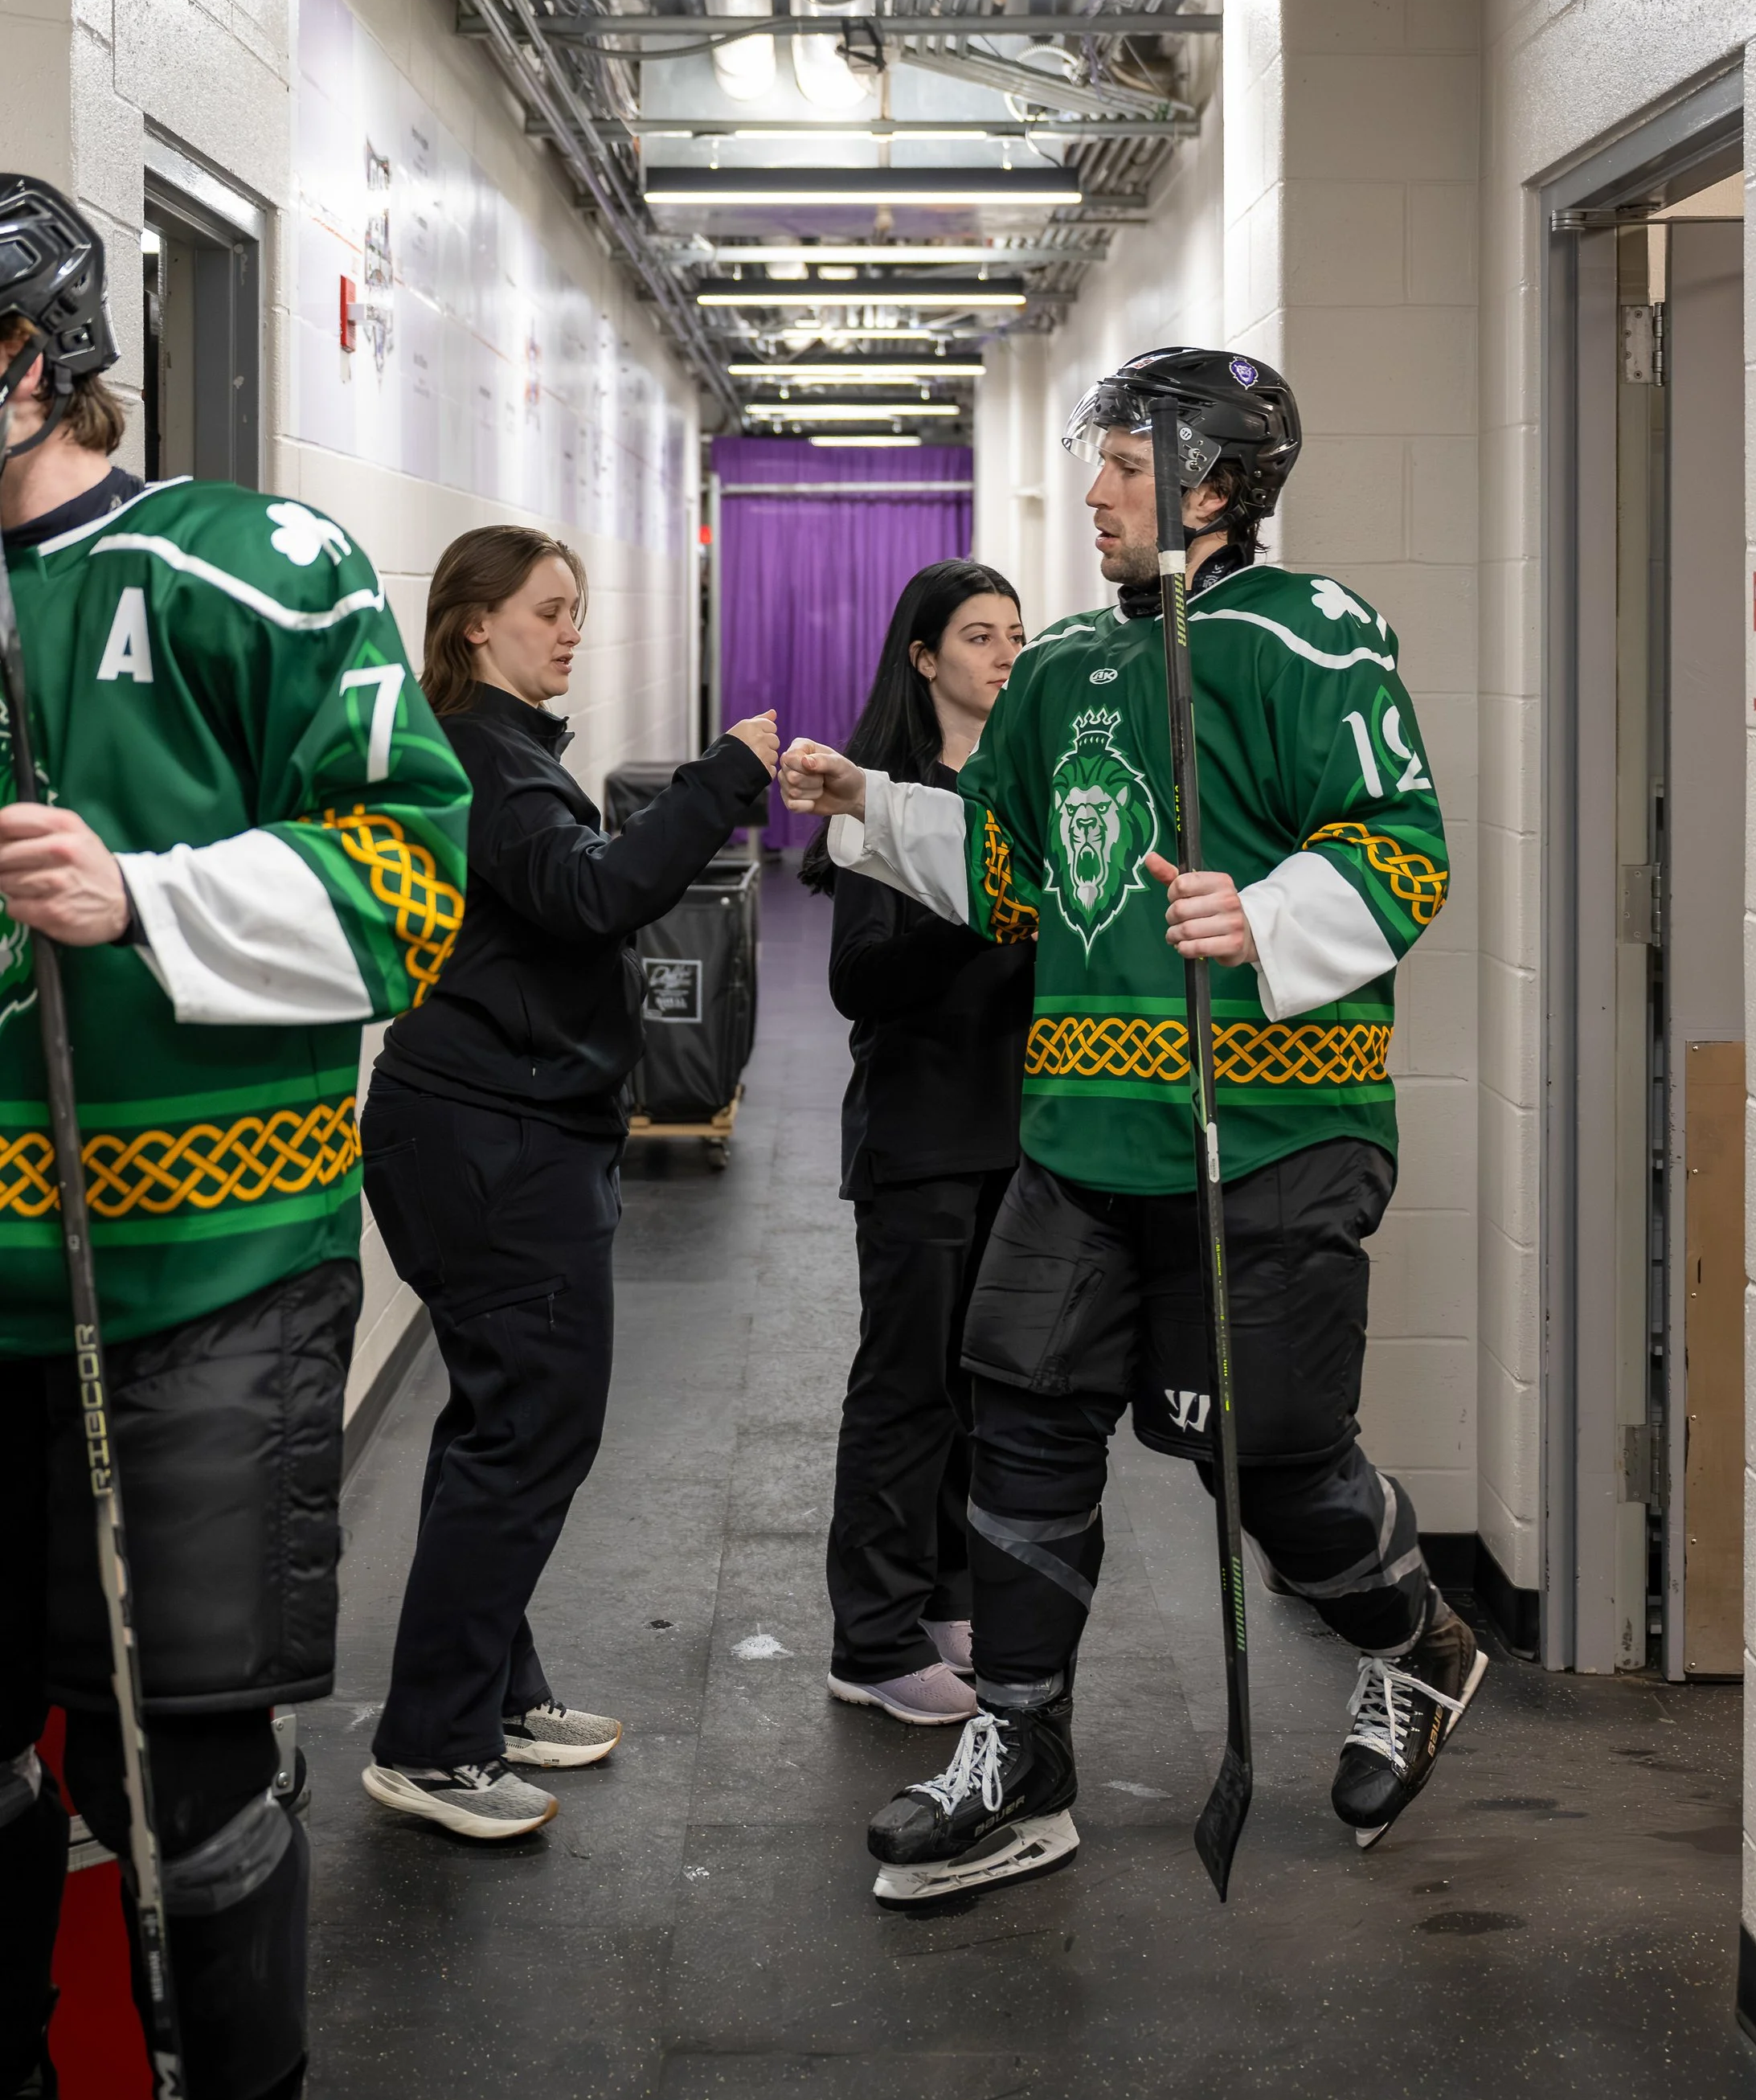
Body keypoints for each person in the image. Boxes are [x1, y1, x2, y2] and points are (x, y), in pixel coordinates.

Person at [780, 346, 1480, 1905]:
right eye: (1091, 461)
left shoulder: (1315, 638)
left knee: (1270, 1454)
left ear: (1216, 485)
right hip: (1085, 1125)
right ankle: (1019, 1756)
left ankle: (1414, 1645)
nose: (1088, 491)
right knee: (1017, 1418)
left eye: (1118, 463)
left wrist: (1273, 908)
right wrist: (872, 811)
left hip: (1276, 1126)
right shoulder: (1066, 667)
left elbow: (1403, 844)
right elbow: (1020, 873)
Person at [0, 176, 472, 2100]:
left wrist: (147, 892)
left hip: (191, 1268)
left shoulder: (251, 569)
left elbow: (414, 862)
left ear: (36, 358)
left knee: (184, 1766)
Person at [359, 526, 778, 1842]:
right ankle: (429, 1742)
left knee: (498, 1419)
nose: (572, 629)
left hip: (498, 1128)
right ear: (473, 624)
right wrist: (723, 779)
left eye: (577, 609)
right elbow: (594, 896)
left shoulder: (506, 748)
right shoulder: (489, 757)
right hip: (492, 1140)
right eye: (547, 610)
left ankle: (486, 1691)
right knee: (534, 1427)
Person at [804, 561, 1033, 1725]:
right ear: (924, 658)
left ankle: (943, 1600)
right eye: (979, 636)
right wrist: (976, 910)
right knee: (904, 1392)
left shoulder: (1028, 792)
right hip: (921, 1136)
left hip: (1015, 1135)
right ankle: (873, 1633)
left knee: (972, 1388)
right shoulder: (880, 797)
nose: (1003, 653)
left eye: (1014, 633)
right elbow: (859, 979)